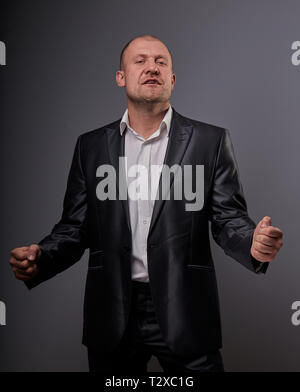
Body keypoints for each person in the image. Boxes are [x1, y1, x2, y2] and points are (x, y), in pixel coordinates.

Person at [9, 34, 283, 373]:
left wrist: (253, 246)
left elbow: (228, 219)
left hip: (186, 310)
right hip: (112, 312)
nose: (151, 67)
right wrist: (42, 257)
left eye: (161, 62)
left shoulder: (210, 142)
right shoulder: (90, 147)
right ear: (120, 77)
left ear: (172, 79)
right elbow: (75, 227)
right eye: (140, 61)